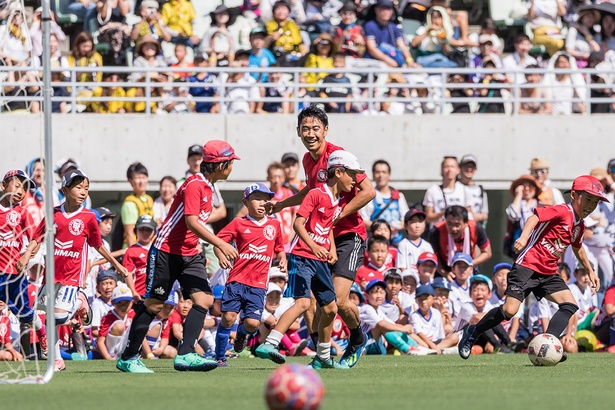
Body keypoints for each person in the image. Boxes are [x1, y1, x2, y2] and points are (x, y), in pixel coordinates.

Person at [265, 106, 376, 368]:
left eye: (316, 128)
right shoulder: (306, 159)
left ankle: (357, 339)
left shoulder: (339, 156)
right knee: (315, 304)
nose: (311, 133)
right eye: (306, 129)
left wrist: (338, 215)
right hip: (323, 238)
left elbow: (369, 191)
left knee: (337, 300)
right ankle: (322, 355)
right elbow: (311, 193)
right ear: (298, 132)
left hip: (349, 235)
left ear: (326, 130)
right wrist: (282, 205)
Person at [116, 140, 240, 373]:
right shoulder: (195, 184)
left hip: (191, 253)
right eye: (231, 161)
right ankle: (129, 357)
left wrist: (217, 247)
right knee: (154, 304)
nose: (233, 165)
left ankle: (185, 354)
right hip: (166, 251)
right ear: (221, 164)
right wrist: (221, 244)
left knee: (204, 299)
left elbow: (197, 225)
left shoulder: (208, 186)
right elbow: (192, 222)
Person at [458, 175, 607, 361]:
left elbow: (578, 248)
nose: (590, 206)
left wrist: (591, 271)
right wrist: (523, 237)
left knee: (570, 305)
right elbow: (535, 216)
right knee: (509, 311)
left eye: (595, 203)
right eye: (588, 199)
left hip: (548, 272)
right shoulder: (562, 211)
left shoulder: (579, 225)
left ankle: (549, 344)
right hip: (526, 266)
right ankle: (473, 332)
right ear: (574, 195)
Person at [256, 150, 365, 369]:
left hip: (320, 259)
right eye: (352, 174)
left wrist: (331, 248)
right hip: (303, 255)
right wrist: (314, 245)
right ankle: (270, 343)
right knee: (304, 303)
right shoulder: (316, 193)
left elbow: (327, 228)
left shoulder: (337, 201)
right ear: (339, 172)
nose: (355, 180)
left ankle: (323, 357)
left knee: (331, 308)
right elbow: (298, 223)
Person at [22, 169, 129, 371]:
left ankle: (81, 303)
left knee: (60, 317)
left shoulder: (88, 217)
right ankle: (56, 360)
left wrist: (117, 264)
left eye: (86, 188)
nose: (83, 192)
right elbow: (37, 237)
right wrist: (26, 256)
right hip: (52, 276)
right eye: (78, 187)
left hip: (73, 277)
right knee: (49, 319)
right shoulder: (53, 213)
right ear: (65, 189)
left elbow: (98, 245)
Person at [213, 183, 287, 367]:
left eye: (266, 199)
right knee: (229, 317)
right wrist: (221, 255)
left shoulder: (274, 225)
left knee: (253, 324)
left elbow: (279, 248)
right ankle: (220, 356)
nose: (262, 203)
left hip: (259, 283)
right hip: (237, 279)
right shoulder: (238, 223)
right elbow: (217, 242)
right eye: (257, 199)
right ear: (245, 202)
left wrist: (283, 258)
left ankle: (241, 335)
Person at [0, 170, 47, 357]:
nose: (21, 191)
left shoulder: (21, 212)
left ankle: (41, 333)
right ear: (3, 185)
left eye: (25, 189)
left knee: (24, 313)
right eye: (18, 185)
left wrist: (26, 255)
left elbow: (36, 238)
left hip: (15, 273)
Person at [359, 279, 423, 355]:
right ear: (367, 296)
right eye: (375, 292)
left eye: (382, 292)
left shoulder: (378, 311)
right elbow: (381, 324)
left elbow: (392, 325)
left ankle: (416, 347)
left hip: (374, 344)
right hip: (362, 347)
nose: (379, 296)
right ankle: (407, 349)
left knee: (392, 328)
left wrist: (406, 328)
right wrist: (403, 328)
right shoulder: (366, 308)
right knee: (382, 327)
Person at [428, 205, 492, 276]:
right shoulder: (436, 231)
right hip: (445, 269)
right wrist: (444, 273)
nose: (453, 229)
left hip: (469, 267)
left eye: (457, 225)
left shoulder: (476, 228)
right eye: (449, 224)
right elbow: (432, 258)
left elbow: (487, 253)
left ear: (466, 223)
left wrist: (469, 263)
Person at [360, 159, 409, 245]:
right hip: (375, 243)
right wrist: (381, 229)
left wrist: (397, 226)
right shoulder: (369, 196)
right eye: (377, 172)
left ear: (389, 175)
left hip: (396, 243)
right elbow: (362, 220)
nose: (381, 175)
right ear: (373, 175)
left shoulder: (399, 196)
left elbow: (406, 219)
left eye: (384, 172)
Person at [365, 0, 420, 68]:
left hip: (392, 61)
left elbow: (403, 46)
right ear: (376, 10)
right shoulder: (370, 25)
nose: (385, 11)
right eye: (382, 8)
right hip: (376, 62)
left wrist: (410, 61)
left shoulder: (394, 27)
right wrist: (387, 60)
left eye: (388, 8)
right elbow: (372, 49)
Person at [423, 156, 471, 226]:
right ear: (441, 170)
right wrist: (445, 213)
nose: (449, 170)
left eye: (452, 167)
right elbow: (428, 217)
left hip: (458, 232)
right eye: (446, 167)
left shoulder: (464, 190)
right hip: (438, 231)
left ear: (458, 170)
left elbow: (469, 215)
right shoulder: (433, 190)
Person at [118, 162, 154, 249]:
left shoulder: (149, 199)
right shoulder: (129, 203)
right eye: (137, 178)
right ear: (130, 181)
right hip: (135, 249)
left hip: (149, 247)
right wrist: (134, 254)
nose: (141, 181)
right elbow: (129, 233)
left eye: (143, 177)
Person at [95, 284, 134, 360]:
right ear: (113, 303)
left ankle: (132, 355)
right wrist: (108, 358)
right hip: (111, 347)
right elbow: (100, 341)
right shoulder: (108, 317)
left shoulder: (132, 314)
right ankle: (112, 354)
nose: (123, 307)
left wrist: (149, 354)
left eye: (126, 303)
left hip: (125, 347)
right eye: (119, 303)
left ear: (132, 303)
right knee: (119, 325)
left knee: (137, 328)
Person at [122, 215, 157, 299]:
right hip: (139, 295)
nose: (145, 233)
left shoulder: (158, 249)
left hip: (156, 295)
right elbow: (128, 273)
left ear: (154, 232)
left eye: (149, 230)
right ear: (135, 231)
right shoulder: (131, 251)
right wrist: (133, 291)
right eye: (141, 230)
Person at [396, 209, 434, 274]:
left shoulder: (427, 246)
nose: (417, 226)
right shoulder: (403, 244)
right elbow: (402, 268)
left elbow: (432, 267)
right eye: (413, 222)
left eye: (420, 221)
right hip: (409, 281)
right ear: (405, 226)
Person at [410, 285, 445, 352]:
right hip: (423, 342)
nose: (423, 302)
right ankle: (434, 350)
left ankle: (433, 350)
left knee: (454, 337)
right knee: (412, 336)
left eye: (426, 298)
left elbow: (441, 334)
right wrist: (432, 346)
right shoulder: (414, 316)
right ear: (416, 301)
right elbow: (419, 333)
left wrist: (436, 345)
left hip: (436, 342)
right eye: (420, 299)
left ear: (433, 299)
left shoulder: (436, 313)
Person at [458, 155, 488, 227]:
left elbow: (485, 215)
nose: (469, 169)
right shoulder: (455, 187)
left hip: (474, 229)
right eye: (466, 166)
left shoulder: (480, 190)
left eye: (472, 167)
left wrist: (472, 215)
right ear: (460, 168)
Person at [90, 269, 117, 339]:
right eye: (104, 284)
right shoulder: (96, 304)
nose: (108, 287)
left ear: (116, 286)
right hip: (103, 340)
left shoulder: (119, 303)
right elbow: (94, 331)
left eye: (111, 283)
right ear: (98, 287)